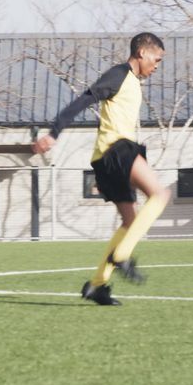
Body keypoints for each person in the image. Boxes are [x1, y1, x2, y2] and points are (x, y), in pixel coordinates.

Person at [33, 32, 171, 306]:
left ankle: (97, 286)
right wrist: (54, 132)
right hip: (116, 151)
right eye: (157, 59)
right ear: (142, 52)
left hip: (105, 158)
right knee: (161, 195)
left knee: (130, 222)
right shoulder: (119, 74)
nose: (157, 66)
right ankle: (122, 255)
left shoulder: (133, 82)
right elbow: (84, 99)